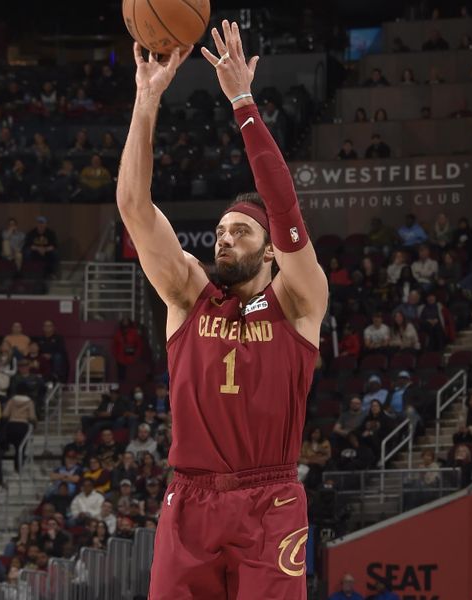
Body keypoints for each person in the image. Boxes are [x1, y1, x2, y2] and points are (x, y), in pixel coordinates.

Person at [118, 23, 328, 598]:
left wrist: (242, 101)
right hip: (189, 500)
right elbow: (135, 209)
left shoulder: (298, 299)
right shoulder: (188, 295)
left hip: (270, 500)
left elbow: (285, 210)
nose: (224, 239)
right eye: (219, 231)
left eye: (239, 231)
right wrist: (146, 102)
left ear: (269, 247)